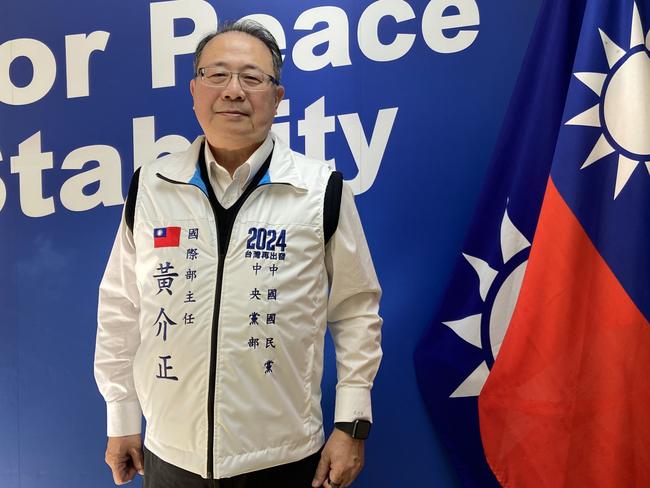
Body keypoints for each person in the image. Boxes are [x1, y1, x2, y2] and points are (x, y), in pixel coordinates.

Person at [94, 19, 382, 488]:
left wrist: (351, 426)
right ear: (194, 90)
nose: (233, 91)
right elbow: (122, 306)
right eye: (217, 75)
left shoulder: (318, 190)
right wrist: (121, 415)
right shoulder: (151, 186)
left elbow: (355, 311)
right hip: (169, 455)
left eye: (251, 78)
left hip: (283, 459)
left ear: (277, 97)